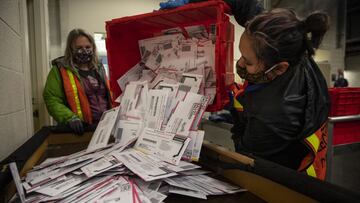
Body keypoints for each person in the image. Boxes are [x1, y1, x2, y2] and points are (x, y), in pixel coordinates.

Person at [160, 0, 330, 180]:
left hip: (289, 183)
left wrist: (237, 112)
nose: (239, 63)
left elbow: (246, 156)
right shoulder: (285, 42)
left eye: (248, 62)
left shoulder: (274, 114)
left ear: (279, 68)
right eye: (241, 55)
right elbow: (242, 3)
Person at [43, 29, 112, 134]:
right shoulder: (60, 70)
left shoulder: (99, 68)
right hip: (80, 130)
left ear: (93, 47)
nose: (84, 50)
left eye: (88, 47)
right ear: (71, 49)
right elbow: (52, 98)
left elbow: (107, 95)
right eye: (79, 48)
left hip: (104, 127)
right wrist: (69, 118)